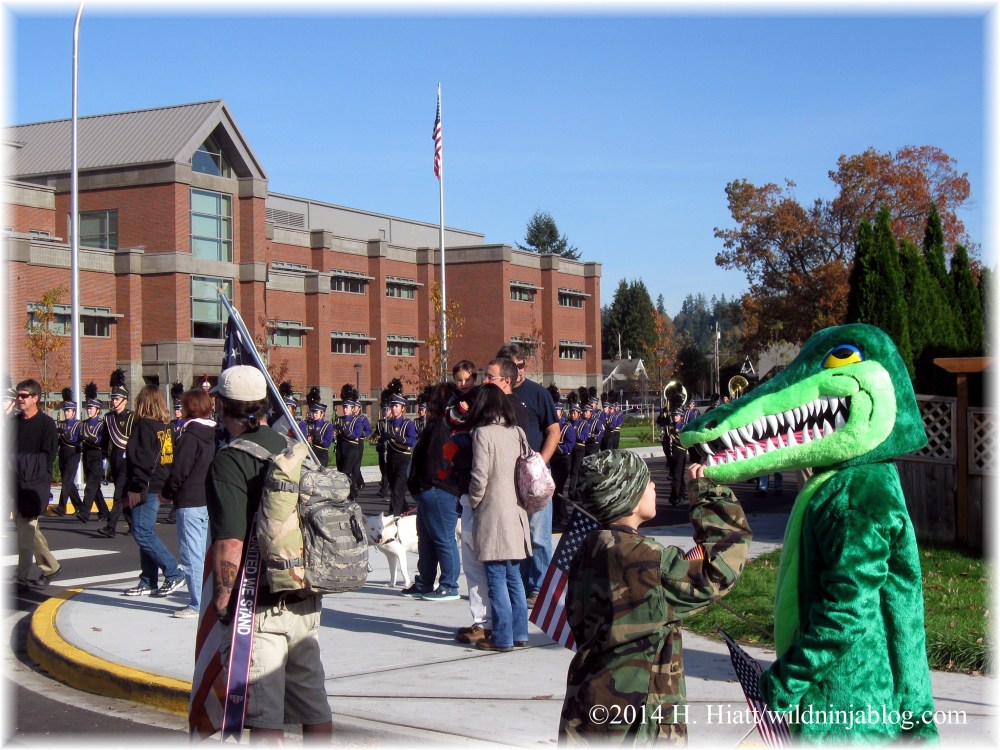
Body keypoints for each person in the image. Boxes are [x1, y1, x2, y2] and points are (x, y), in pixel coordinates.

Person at [558, 454, 752, 743]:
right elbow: (719, 570)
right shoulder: (645, 559)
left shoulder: (589, 548)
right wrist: (708, 495)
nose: (653, 485)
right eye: (646, 482)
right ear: (630, 501)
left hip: (589, 706)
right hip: (638, 721)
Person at [206, 365, 333, 741]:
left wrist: (223, 601)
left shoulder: (230, 460)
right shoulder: (293, 449)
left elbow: (230, 543)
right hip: (304, 596)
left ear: (223, 406)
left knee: (265, 718)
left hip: (259, 607)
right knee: (314, 709)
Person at [467, 383, 532, 653]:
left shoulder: (482, 433)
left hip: (494, 511)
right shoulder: (517, 432)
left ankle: (503, 636)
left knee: (495, 577)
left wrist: (473, 501)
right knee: (514, 577)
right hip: (517, 510)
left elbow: (479, 475)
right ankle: (520, 632)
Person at [495, 343, 559, 606]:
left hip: (535, 477)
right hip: (507, 477)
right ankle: (519, 585)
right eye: (514, 366)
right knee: (515, 535)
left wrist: (540, 463)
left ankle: (540, 587)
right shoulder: (496, 397)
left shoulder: (538, 393)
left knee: (538, 536)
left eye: (521, 365)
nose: (519, 370)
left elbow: (554, 430)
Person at [122, 385, 185, 597]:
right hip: (159, 482)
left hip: (146, 485)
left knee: (142, 532)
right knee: (146, 531)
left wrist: (135, 487)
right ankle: (148, 580)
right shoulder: (166, 427)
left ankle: (173, 572)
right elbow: (168, 458)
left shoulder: (143, 427)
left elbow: (141, 461)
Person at [160, 388, 216, 617]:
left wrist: (167, 492)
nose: (180, 410)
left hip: (189, 501)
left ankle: (198, 603)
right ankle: (208, 597)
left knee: (192, 555)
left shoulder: (190, 436)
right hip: (208, 499)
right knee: (205, 553)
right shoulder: (215, 434)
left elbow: (179, 470)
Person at [446, 360, 490, 644]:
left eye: (467, 379)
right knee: (472, 562)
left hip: (479, 488)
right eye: (459, 380)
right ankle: (481, 620)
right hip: (463, 484)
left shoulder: (481, 398)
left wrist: (465, 414)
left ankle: (490, 622)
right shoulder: (454, 398)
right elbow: (449, 419)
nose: (463, 385)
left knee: (484, 562)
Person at [405, 382, 462, 601]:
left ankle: (449, 585)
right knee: (426, 540)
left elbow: (438, 461)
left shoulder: (442, 427)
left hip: (439, 490)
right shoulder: (436, 425)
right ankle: (425, 581)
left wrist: (426, 483)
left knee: (443, 538)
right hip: (429, 490)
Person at [13, 379, 61, 589]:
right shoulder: (14, 423)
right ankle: (50, 567)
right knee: (28, 530)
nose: (20, 399)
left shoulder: (46, 424)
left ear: (35, 398)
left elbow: (47, 457)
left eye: (24, 395)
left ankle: (22, 576)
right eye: (18, 395)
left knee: (26, 530)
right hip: (16, 484)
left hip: (35, 485)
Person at [99, 370, 135, 538]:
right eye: (113, 398)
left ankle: (110, 526)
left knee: (118, 493)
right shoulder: (108, 418)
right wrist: (104, 457)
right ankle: (133, 524)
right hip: (115, 458)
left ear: (125, 400)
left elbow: (135, 440)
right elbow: (105, 440)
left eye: (117, 398)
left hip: (127, 459)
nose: (114, 401)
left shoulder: (131, 417)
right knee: (122, 493)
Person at [78, 386, 110, 523]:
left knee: (90, 486)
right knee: (95, 487)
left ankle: (84, 512)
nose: (89, 410)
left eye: (91, 408)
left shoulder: (102, 424)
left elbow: (100, 441)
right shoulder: (83, 423)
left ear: (98, 410)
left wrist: (87, 438)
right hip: (86, 456)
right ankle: (104, 512)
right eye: (88, 408)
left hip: (97, 456)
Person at [383, 388, 417, 516]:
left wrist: (399, 438)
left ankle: (393, 516)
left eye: (396, 406)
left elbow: (412, 441)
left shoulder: (408, 424)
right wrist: (380, 443)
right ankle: (405, 511)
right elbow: (381, 440)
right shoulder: (388, 423)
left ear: (403, 408)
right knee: (395, 489)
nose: (394, 408)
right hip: (391, 459)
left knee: (397, 490)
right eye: (392, 406)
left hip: (404, 459)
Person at [335, 385, 370, 500]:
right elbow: (334, 436)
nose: (345, 409)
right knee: (340, 472)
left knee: (347, 471)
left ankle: (350, 495)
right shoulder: (339, 419)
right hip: (340, 448)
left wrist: (343, 429)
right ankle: (351, 492)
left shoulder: (357, 420)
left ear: (352, 408)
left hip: (352, 448)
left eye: (347, 407)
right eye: (344, 407)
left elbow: (355, 434)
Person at [54, 388, 82, 516]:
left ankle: (62, 507)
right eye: (65, 410)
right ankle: (79, 506)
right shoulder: (61, 424)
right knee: (68, 481)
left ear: (74, 412)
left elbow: (75, 440)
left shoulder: (78, 424)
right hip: (63, 453)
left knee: (66, 480)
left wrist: (64, 433)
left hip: (73, 453)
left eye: (68, 410)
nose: (66, 413)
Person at [666, 411, 687, 506]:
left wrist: (674, 437)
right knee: (675, 475)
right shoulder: (670, 426)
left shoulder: (683, 426)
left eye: (677, 415)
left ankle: (675, 497)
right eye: (674, 415)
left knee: (677, 475)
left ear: (681, 416)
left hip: (681, 451)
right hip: (672, 452)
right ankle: (682, 493)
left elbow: (683, 440)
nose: (675, 417)